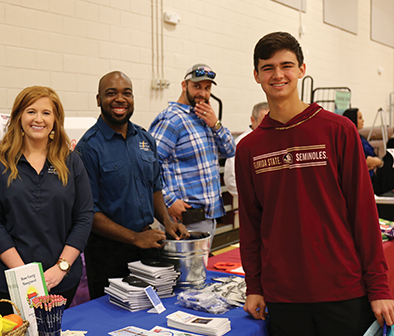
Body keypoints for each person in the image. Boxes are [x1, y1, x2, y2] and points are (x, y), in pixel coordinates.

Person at [236, 32, 394, 336]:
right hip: (284, 296)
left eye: (286, 65)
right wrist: (254, 286)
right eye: (268, 68)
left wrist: (379, 288)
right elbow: (252, 225)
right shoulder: (248, 149)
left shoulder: (338, 130)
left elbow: (363, 213)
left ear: (301, 69)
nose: (278, 75)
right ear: (256, 75)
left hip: (343, 288)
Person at [0, 86, 93, 313]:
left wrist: (61, 267)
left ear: (55, 120)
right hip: (8, 283)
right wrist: (25, 277)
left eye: (46, 113)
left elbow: (84, 217)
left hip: (59, 282)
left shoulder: (71, 161)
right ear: (19, 116)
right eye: (31, 111)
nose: (38, 119)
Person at [75, 71, 189, 300]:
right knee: (113, 318)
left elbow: (155, 187)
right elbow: (90, 213)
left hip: (148, 245)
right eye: (111, 93)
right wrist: (135, 238)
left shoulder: (145, 140)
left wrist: (167, 221)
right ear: (98, 100)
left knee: (149, 316)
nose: (120, 99)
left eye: (127, 93)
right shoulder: (88, 148)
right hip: (107, 253)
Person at [148, 64, 236, 237]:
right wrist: (169, 200)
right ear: (184, 85)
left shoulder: (205, 118)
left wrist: (215, 124)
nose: (202, 93)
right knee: (183, 265)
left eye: (207, 88)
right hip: (182, 219)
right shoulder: (171, 120)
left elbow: (230, 150)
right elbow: (148, 165)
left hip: (208, 217)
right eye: (196, 86)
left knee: (200, 265)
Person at [223, 102, 269, 197]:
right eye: (263, 121)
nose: (267, 125)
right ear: (253, 120)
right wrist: (251, 198)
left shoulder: (273, 140)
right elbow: (231, 178)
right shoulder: (241, 143)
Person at [343, 108, 383, 178]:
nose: (363, 121)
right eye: (360, 118)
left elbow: (373, 156)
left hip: (370, 175)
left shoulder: (360, 137)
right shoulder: (348, 138)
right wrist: (378, 162)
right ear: (352, 120)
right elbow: (363, 161)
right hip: (358, 177)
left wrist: (376, 162)